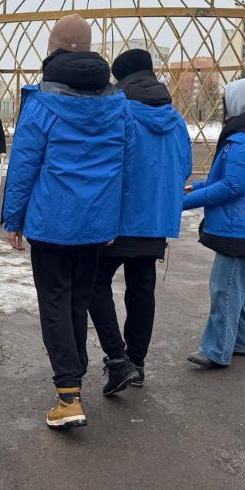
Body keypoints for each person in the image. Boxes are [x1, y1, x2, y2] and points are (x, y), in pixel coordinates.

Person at [2, 13, 131, 429]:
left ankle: (68, 394)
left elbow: (24, 165)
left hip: (51, 223)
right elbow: (124, 167)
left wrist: (14, 218)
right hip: (95, 225)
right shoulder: (118, 104)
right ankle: (75, 376)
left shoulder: (42, 103)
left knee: (56, 302)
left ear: (52, 51)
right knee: (77, 300)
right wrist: (113, 221)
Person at [87, 49, 191, 395]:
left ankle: (118, 359)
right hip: (155, 222)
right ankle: (138, 362)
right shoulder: (175, 120)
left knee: (95, 284)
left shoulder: (119, 112)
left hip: (117, 220)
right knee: (142, 289)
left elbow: (105, 165)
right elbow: (184, 169)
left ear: (120, 78)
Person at [182, 77, 245, 370]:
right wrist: (196, 187)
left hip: (237, 224)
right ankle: (240, 341)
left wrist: (182, 203)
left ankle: (216, 350)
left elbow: (232, 186)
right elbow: (232, 179)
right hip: (244, 222)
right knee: (234, 285)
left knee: (224, 288)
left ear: (238, 103)